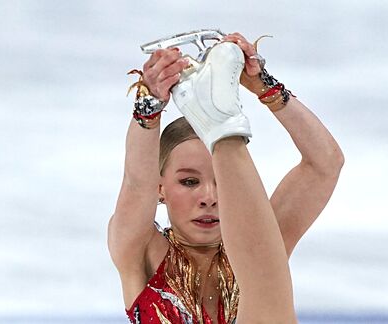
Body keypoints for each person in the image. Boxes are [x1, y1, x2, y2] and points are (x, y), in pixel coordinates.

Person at [108, 32, 344, 323]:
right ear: (160, 188)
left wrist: (264, 86)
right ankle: (224, 126)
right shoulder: (140, 249)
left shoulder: (264, 239)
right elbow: (135, 183)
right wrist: (149, 109)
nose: (210, 198)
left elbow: (325, 164)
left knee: (263, 261)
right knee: (265, 265)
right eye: (189, 182)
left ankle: (221, 124)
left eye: (224, 183)